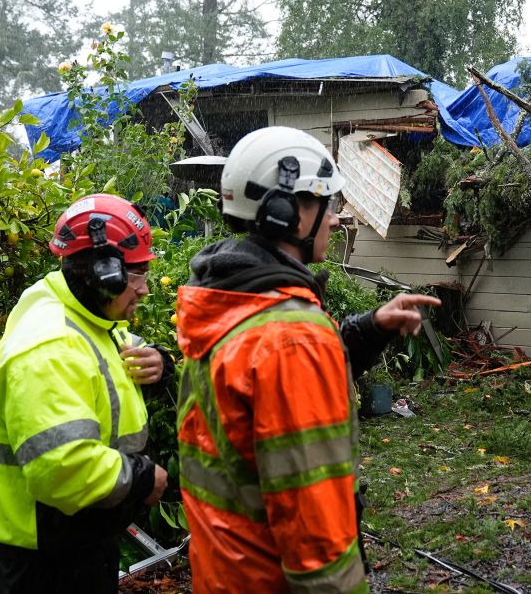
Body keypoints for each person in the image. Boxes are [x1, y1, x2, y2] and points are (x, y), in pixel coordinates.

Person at [176, 127, 440, 592]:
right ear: (288, 212)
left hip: (226, 575)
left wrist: (370, 328)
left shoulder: (230, 302)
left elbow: (273, 390)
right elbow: (313, 528)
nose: (336, 219)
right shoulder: (292, 338)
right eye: (327, 204)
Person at [0, 193, 170, 593]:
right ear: (104, 274)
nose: (145, 290)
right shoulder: (49, 345)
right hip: (47, 559)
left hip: (76, 539)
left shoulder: (80, 310)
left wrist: (158, 361)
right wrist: (143, 478)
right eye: (137, 275)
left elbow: (110, 345)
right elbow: (61, 467)